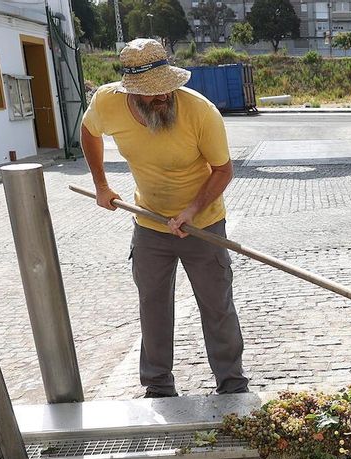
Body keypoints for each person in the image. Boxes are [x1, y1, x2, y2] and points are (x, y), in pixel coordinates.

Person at [81, 38, 247, 397]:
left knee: (216, 306)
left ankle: (232, 384)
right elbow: (89, 131)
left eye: (166, 88)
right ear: (131, 91)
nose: (162, 96)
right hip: (149, 224)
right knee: (153, 307)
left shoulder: (200, 112)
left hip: (203, 225)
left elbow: (223, 170)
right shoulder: (107, 103)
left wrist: (191, 211)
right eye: (152, 92)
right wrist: (101, 185)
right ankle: (157, 386)